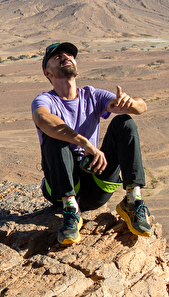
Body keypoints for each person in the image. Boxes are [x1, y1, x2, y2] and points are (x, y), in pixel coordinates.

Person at [31, 42, 154, 245]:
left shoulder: (92, 95)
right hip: (61, 186)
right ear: (47, 72)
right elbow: (44, 120)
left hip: (95, 183)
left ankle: (133, 200)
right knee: (55, 136)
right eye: (57, 56)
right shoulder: (44, 100)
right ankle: (70, 211)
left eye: (69, 54)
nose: (65, 56)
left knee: (125, 122)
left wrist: (130, 103)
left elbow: (141, 107)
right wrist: (84, 143)